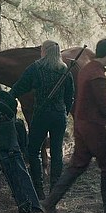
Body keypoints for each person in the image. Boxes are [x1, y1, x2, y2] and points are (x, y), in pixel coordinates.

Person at [43, 38, 106, 213]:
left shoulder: (87, 69)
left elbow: (95, 94)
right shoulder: (97, 74)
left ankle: (50, 202)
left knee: (78, 164)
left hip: (81, 123)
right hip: (93, 126)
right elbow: (103, 105)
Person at [9, 40, 74, 200]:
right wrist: (63, 113)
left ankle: (38, 190)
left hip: (41, 115)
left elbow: (20, 86)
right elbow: (70, 97)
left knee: (33, 150)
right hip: (59, 116)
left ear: (44, 51)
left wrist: (8, 97)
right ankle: (54, 191)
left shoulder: (36, 68)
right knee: (57, 152)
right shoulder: (64, 70)